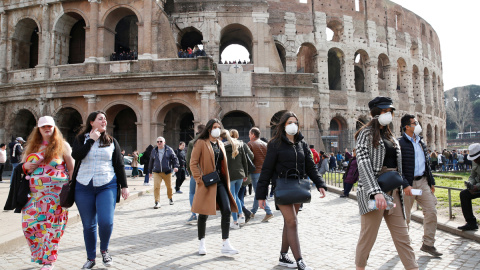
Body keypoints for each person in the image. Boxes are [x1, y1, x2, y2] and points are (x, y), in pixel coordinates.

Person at [256, 111, 327, 270]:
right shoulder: (275, 144)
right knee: (292, 221)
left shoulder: (302, 143)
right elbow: (266, 170)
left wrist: (320, 184)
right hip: (282, 187)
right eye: (289, 122)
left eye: (295, 122)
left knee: (289, 223)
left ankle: (283, 255)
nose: (293, 125)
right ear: (283, 125)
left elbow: (310, 167)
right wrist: (261, 195)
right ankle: (300, 260)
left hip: (298, 188)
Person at [354, 97, 418, 270]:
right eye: (384, 111)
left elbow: (398, 167)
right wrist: (376, 192)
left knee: (403, 236)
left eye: (390, 111)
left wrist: (404, 185)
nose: (388, 114)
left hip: (394, 192)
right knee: (368, 238)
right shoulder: (365, 134)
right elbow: (363, 163)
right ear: (375, 113)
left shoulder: (390, 135)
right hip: (373, 191)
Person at [72, 111, 129, 270]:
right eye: (100, 119)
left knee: (106, 221)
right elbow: (77, 156)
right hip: (83, 186)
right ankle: (91, 257)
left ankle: (104, 250)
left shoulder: (112, 141)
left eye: (105, 119)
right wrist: (91, 141)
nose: (104, 121)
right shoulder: (80, 139)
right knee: (88, 225)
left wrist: (124, 186)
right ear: (91, 122)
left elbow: (119, 165)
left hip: (106, 184)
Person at [16, 116, 74, 270]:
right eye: (43, 127)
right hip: (34, 196)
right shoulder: (32, 147)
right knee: (29, 226)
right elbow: (23, 167)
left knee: (52, 228)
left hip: (56, 197)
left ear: (54, 128)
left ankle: (49, 260)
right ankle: (39, 255)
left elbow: (71, 168)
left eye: (49, 126)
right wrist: (25, 166)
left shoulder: (63, 146)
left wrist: (71, 188)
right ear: (38, 129)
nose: (47, 129)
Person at [190, 119, 239, 255]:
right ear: (209, 129)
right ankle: (202, 242)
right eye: (214, 127)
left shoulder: (220, 144)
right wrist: (199, 180)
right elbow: (193, 163)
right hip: (207, 182)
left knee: (227, 209)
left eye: (219, 127)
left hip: (220, 181)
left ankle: (225, 243)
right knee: (203, 213)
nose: (217, 129)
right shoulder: (201, 143)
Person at [399, 114, 442, 257]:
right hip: (408, 184)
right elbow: (398, 168)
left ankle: (428, 244)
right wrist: (405, 185)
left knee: (431, 212)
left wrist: (431, 182)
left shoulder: (421, 142)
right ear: (407, 126)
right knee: (405, 217)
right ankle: (404, 246)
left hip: (423, 182)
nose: (417, 125)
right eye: (414, 123)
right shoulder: (400, 143)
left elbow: (427, 165)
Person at [220, 129, 248, 229]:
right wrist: (245, 174)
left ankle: (237, 220)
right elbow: (244, 161)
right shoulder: (239, 145)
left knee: (233, 198)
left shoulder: (222, 147)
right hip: (240, 174)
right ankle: (240, 216)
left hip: (230, 175)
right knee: (235, 196)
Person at [247, 127, 274, 222]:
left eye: (250, 134)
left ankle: (269, 212)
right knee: (259, 192)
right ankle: (253, 212)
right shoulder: (265, 144)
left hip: (256, 172)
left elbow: (248, 159)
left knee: (259, 193)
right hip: (265, 172)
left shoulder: (250, 144)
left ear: (253, 135)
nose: (249, 136)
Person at [148, 137, 179, 209]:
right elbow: (151, 161)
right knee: (156, 186)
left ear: (164, 142)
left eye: (161, 141)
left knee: (169, 187)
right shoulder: (154, 151)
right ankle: (157, 202)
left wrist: (176, 166)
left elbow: (175, 158)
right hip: (157, 172)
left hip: (167, 172)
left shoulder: (169, 150)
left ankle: (170, 198)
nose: (159, 143)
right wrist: (149, 171)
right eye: (158, 141)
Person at [185, 124, 206, 224]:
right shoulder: (209, 141)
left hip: (195, 171)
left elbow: (189, 159)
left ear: (197, 131)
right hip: (207, 171)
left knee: (192, 192)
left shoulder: (192, 142)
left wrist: (190, 171)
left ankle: (194, 214)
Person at [458, 143, 480, 231]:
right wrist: (471, 185)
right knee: (464, 194)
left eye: (476, 159)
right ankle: (471, 223)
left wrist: (477, 187)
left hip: (478, 186)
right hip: (477, 186)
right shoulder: (475, 162)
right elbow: (472, 175)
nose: (474, 161)